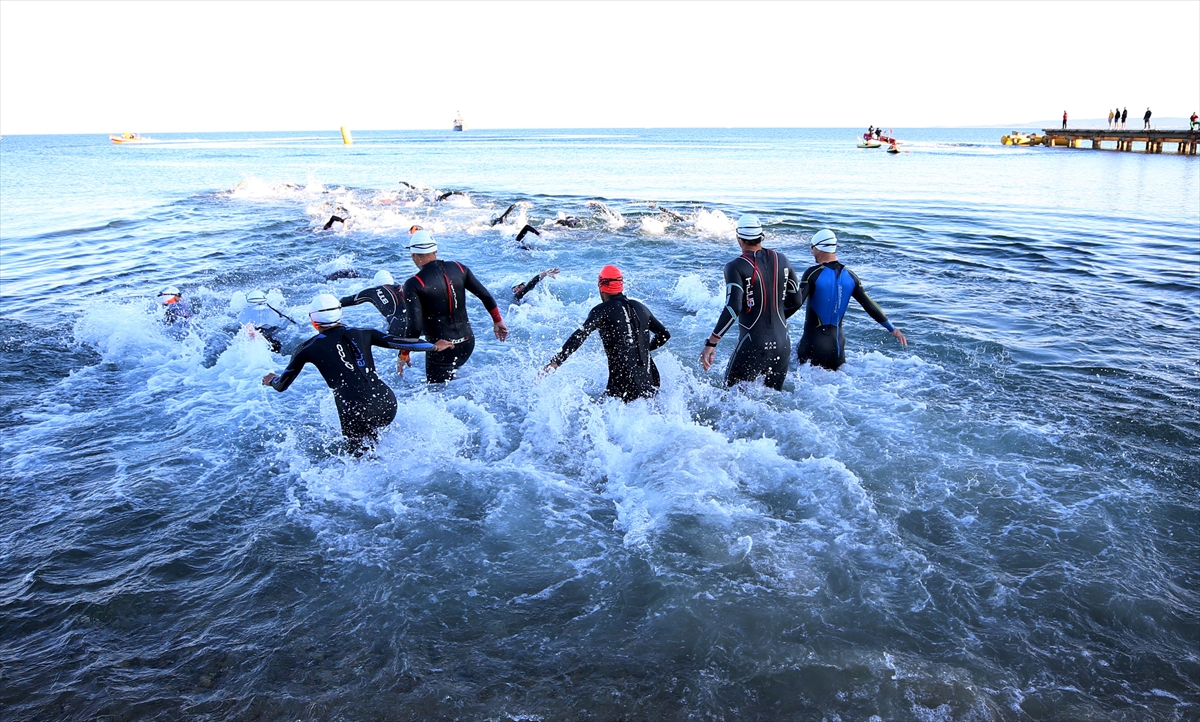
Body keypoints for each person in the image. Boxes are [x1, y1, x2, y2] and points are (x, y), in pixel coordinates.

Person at [261, 294, 431, 454]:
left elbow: (282, 385)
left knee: (360, 458)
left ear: (314, 321)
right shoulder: (365, 332)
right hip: (386, 402)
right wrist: (435, 346)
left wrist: (272, 380)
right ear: (340, 314)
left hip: (355, 410)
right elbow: (405, 343)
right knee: (375, 442)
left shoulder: (306, 348)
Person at [699, 214, 801, 391]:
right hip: (783, 342)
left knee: (729, 399)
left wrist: (712, 342)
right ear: (762, 236)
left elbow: (733, 307)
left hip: (752, 342)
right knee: (772, 402)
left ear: (738, 237)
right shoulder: (782, 259)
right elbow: (797, 300)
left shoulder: (735, 266)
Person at [543, 265, 670, 402]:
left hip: (624, 382)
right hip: (651, 378)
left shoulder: (602, 310)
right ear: (620, 285)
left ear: (601, 285)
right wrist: (644, 350)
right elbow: (664, 335)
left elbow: (580, 335)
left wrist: (556, 362)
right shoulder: (640, 307)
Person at [401, 230, 509, 382]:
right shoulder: (459, 268)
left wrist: (404, 353)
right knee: (454, 384)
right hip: (467, 343)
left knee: (438, 396)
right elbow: (485, 295)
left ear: (413, 254)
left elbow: (414, 327)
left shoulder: (414, 284)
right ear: (435, 251)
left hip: (441, 347)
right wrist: (498, 320)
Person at [793, 229, 907, 371]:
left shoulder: (812, 274)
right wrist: (892, 329)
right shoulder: (851, 277)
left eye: (812, 247)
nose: (811, 252)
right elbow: (869, 305)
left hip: (812, 347)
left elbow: (795, 303)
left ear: (819, 248)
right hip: (838, 350)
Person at [340, 270, 406, 335]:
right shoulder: (403, 287)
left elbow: (347, 301)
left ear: (376, 282)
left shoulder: (373, 291)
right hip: (414, 322)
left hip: (397, 326)